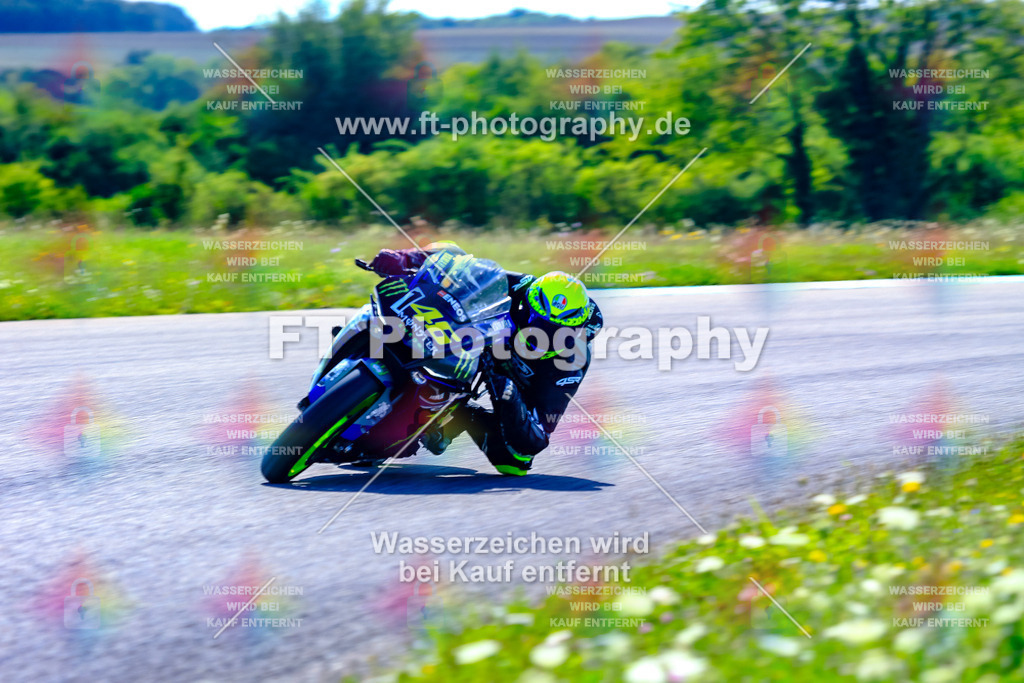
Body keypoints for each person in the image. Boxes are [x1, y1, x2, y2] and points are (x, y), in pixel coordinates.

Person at [366, 242, 603, 475]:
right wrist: (405, 258)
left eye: (556, 331)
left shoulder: (570, 366)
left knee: (515, 462)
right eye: (538, 322)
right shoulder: (523, 287)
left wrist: (509, 394)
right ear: (527, 304)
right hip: (485, 344)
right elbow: (457, 262)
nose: (542, 335)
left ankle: (461, 415)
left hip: (514, 392)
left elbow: (537, 439)